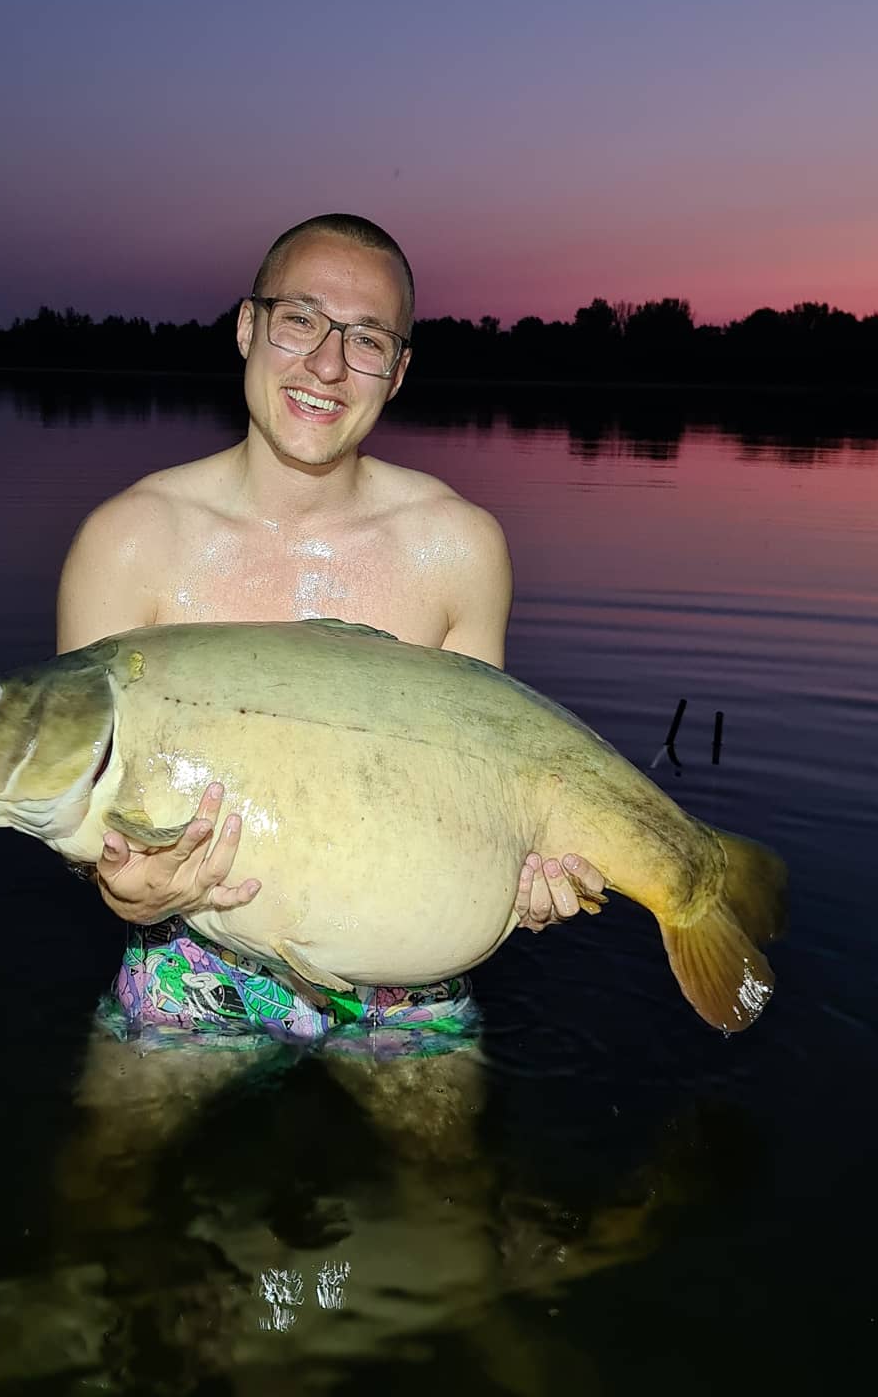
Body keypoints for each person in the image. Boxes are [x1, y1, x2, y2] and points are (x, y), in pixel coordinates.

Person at [58, 213, 605, 1015]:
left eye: (368, 340)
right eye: (301, 321)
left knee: (445, 1147)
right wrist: (120, 886)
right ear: (248, 327)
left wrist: (526, 878)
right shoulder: (127, 543)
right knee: (114, 1147)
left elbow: (480, 792)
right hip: (188, 955)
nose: (327, 365)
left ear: (399, 370)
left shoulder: (459, 549)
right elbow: (75, 801)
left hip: (407, 970)